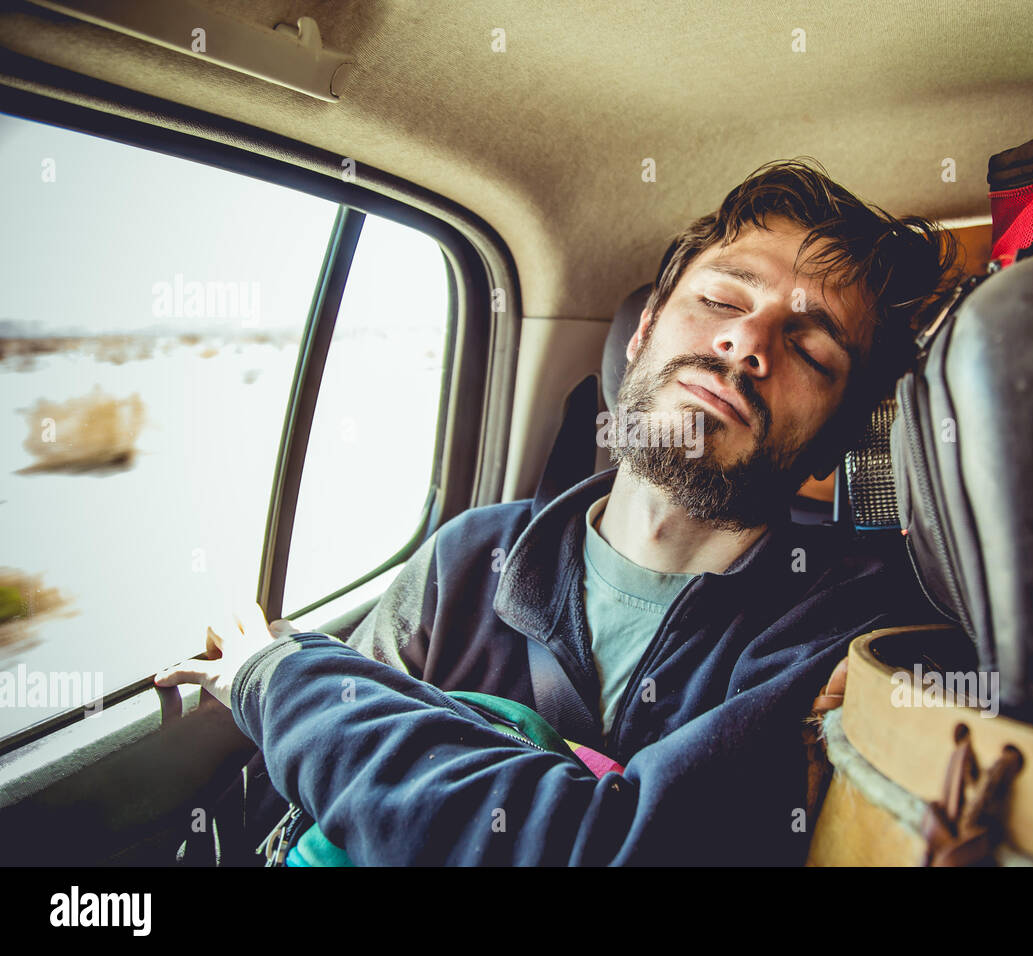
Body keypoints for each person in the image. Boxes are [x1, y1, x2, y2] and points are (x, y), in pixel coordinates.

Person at [155, 158, 959, 865]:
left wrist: (278, 677)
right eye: (721, 298)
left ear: (834, 442)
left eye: (811, 349)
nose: (748, 343)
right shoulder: (469, 558)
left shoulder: (850, 635)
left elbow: (615, 851)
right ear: (643, 332)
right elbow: (307, 803)